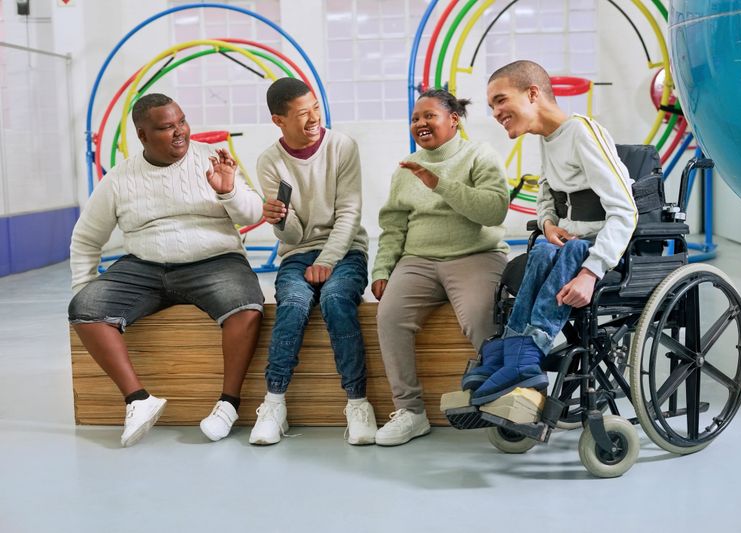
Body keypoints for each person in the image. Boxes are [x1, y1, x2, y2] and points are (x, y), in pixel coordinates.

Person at [69, 93, 265, 446]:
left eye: (182, 122)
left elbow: (253, 214)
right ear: (142, 136)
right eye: (166, 127)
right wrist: (83, 288)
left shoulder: (212, 159)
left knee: (246, 306)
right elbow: (85, 239)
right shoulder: (119, 179)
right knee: (85, 309)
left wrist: (229, 191)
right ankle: (138, 400)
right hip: (144, 266)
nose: (180, 133)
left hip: (215, 261)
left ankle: (228, 405)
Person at [464, 60, 638, 405]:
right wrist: (547, 223)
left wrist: (591, 273)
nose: (496, 112)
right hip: (568, 243)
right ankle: (512, 348)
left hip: (598, 249)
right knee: (543, 249)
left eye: (500, 100)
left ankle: (529, 353)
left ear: (532, 94)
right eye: (491, 106)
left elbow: (625, 209)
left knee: (569, 253)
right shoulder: (547, 137)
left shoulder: (582, 133)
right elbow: (546, 191)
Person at [371, 89, 510, 445]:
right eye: (416, 118)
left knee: (481, 317)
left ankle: (502, 400)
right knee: (389, 316)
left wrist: (440, 184)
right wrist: (382, 269)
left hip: (476, 254)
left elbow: (494, 211)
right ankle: (411, 412)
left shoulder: (480, 154)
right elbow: (393, 225)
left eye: (429, 116)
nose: (420, 123)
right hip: (418, 259)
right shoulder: (406, 168)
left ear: (454, 120)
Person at [252, 78, 376, 446]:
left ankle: (358, 403)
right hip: (297, 253)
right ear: (279, 120)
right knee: (291, 303)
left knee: (337, 300)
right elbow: (291, 237)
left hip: (345, 250)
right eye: (302, 114)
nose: (313, 119)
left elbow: (350, 212)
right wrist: (278, 220)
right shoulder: (269, 161)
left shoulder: (341, 146)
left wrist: (327, 259)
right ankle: (274, 403)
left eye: (316, 109)